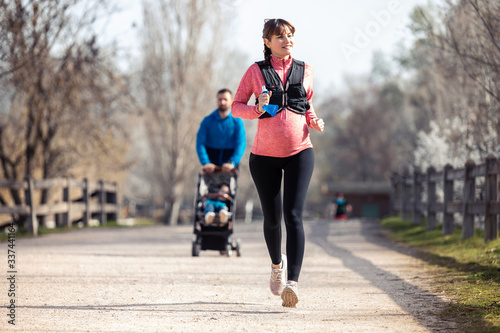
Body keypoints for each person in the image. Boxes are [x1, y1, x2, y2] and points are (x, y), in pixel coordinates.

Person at [231, 18, 325, 308]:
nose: (287, 40)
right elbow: (236, 107)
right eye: (280, 36)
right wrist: (257, 110)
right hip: (264, 157)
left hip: (300, 151)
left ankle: (293, 284)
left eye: (290, 35)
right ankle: (276, 266)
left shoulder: (305, 70)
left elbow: (306, 104)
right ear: (267, 42)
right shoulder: (255, 72)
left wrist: (314, 120)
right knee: (272, 219)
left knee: (293, 215)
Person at [196, 89, 246, 173]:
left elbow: (241, 144)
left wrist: (232, 162)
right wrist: (206, 162)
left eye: (225, 99)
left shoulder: (237, 121)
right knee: (207, 186)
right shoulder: (207, 121)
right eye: (220, 99)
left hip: (230, 161)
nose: (222, 102)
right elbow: (200, 143)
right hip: (211, 161)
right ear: (217, 100)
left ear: (231, 101)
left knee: (225, 187)